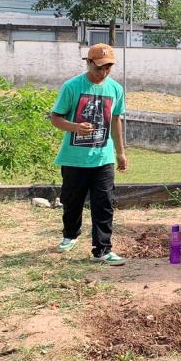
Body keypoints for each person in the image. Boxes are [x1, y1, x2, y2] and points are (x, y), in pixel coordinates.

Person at [50, 43, 128, 266]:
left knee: (104, 203)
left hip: (103, 157)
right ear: (89, 62)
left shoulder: (115, 89)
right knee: (72, 201)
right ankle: (70, 235)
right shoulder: (72, 87)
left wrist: (121, 152)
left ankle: (103, 249)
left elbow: (115, 120)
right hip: (74, 158)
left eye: (108, 68)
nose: (103, 72)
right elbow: (55, 118)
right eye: (99, 67)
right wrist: (74, 127)